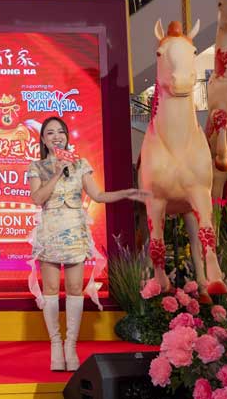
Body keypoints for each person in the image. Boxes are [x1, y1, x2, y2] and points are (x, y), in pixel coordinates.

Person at [27, 117, 147, 372]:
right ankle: (55, 345)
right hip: (50, 233)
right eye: (50, 133)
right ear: (44, 140)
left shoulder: (80, 164)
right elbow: (37, 198)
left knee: (74, 288)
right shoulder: (37, 166)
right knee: (50, 289)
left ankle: (70, 345)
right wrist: (57, 172)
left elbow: (98, 195)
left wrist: (127, 193)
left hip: (74, 233)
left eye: (61, 132)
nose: (56, 136)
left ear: (67, 136)